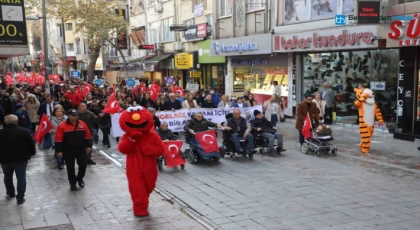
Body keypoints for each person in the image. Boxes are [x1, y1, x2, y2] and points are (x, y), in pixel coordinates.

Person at [0, 115, 36, 204]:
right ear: (17, 122)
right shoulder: (24, 132)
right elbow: (31, 144)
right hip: (21, 159)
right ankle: (20, 197)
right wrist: (32, 153)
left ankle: (11, 192)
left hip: (5, 159)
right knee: (21, 177)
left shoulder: (1, 133)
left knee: (7, 176)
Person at [55, 109, 92, 191]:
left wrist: (88, 146)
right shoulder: (62, 125)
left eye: (76, 115)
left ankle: (79, 178)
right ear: (68, 116)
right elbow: (58, 139)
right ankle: (72, 183)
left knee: (83, 165)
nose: (76, 117)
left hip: (81, 149)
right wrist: (59, 151)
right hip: (68, 150)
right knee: (70, 168)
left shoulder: (82, 124)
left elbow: (87, 135)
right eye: (73, 115)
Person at [49, 105, 67, 169]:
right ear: (54, 112)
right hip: (56, 138)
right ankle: (59, 163)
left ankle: (62, 160)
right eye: (57, 111)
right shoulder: (50, 119)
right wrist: (51, 131)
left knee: (65, 149)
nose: (59, 112)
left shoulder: (66, 118)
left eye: (60, 111)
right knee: (58, 150)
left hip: (65, 138)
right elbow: (46, 129)